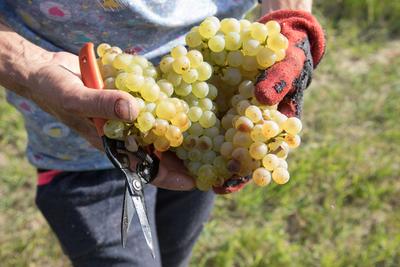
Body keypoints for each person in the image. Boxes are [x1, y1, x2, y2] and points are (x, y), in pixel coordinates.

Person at [0, 0, 324, 266]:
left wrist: (289, 15)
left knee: (173, 257)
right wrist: (28, 67)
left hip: (203, 135)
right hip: (79, 155)